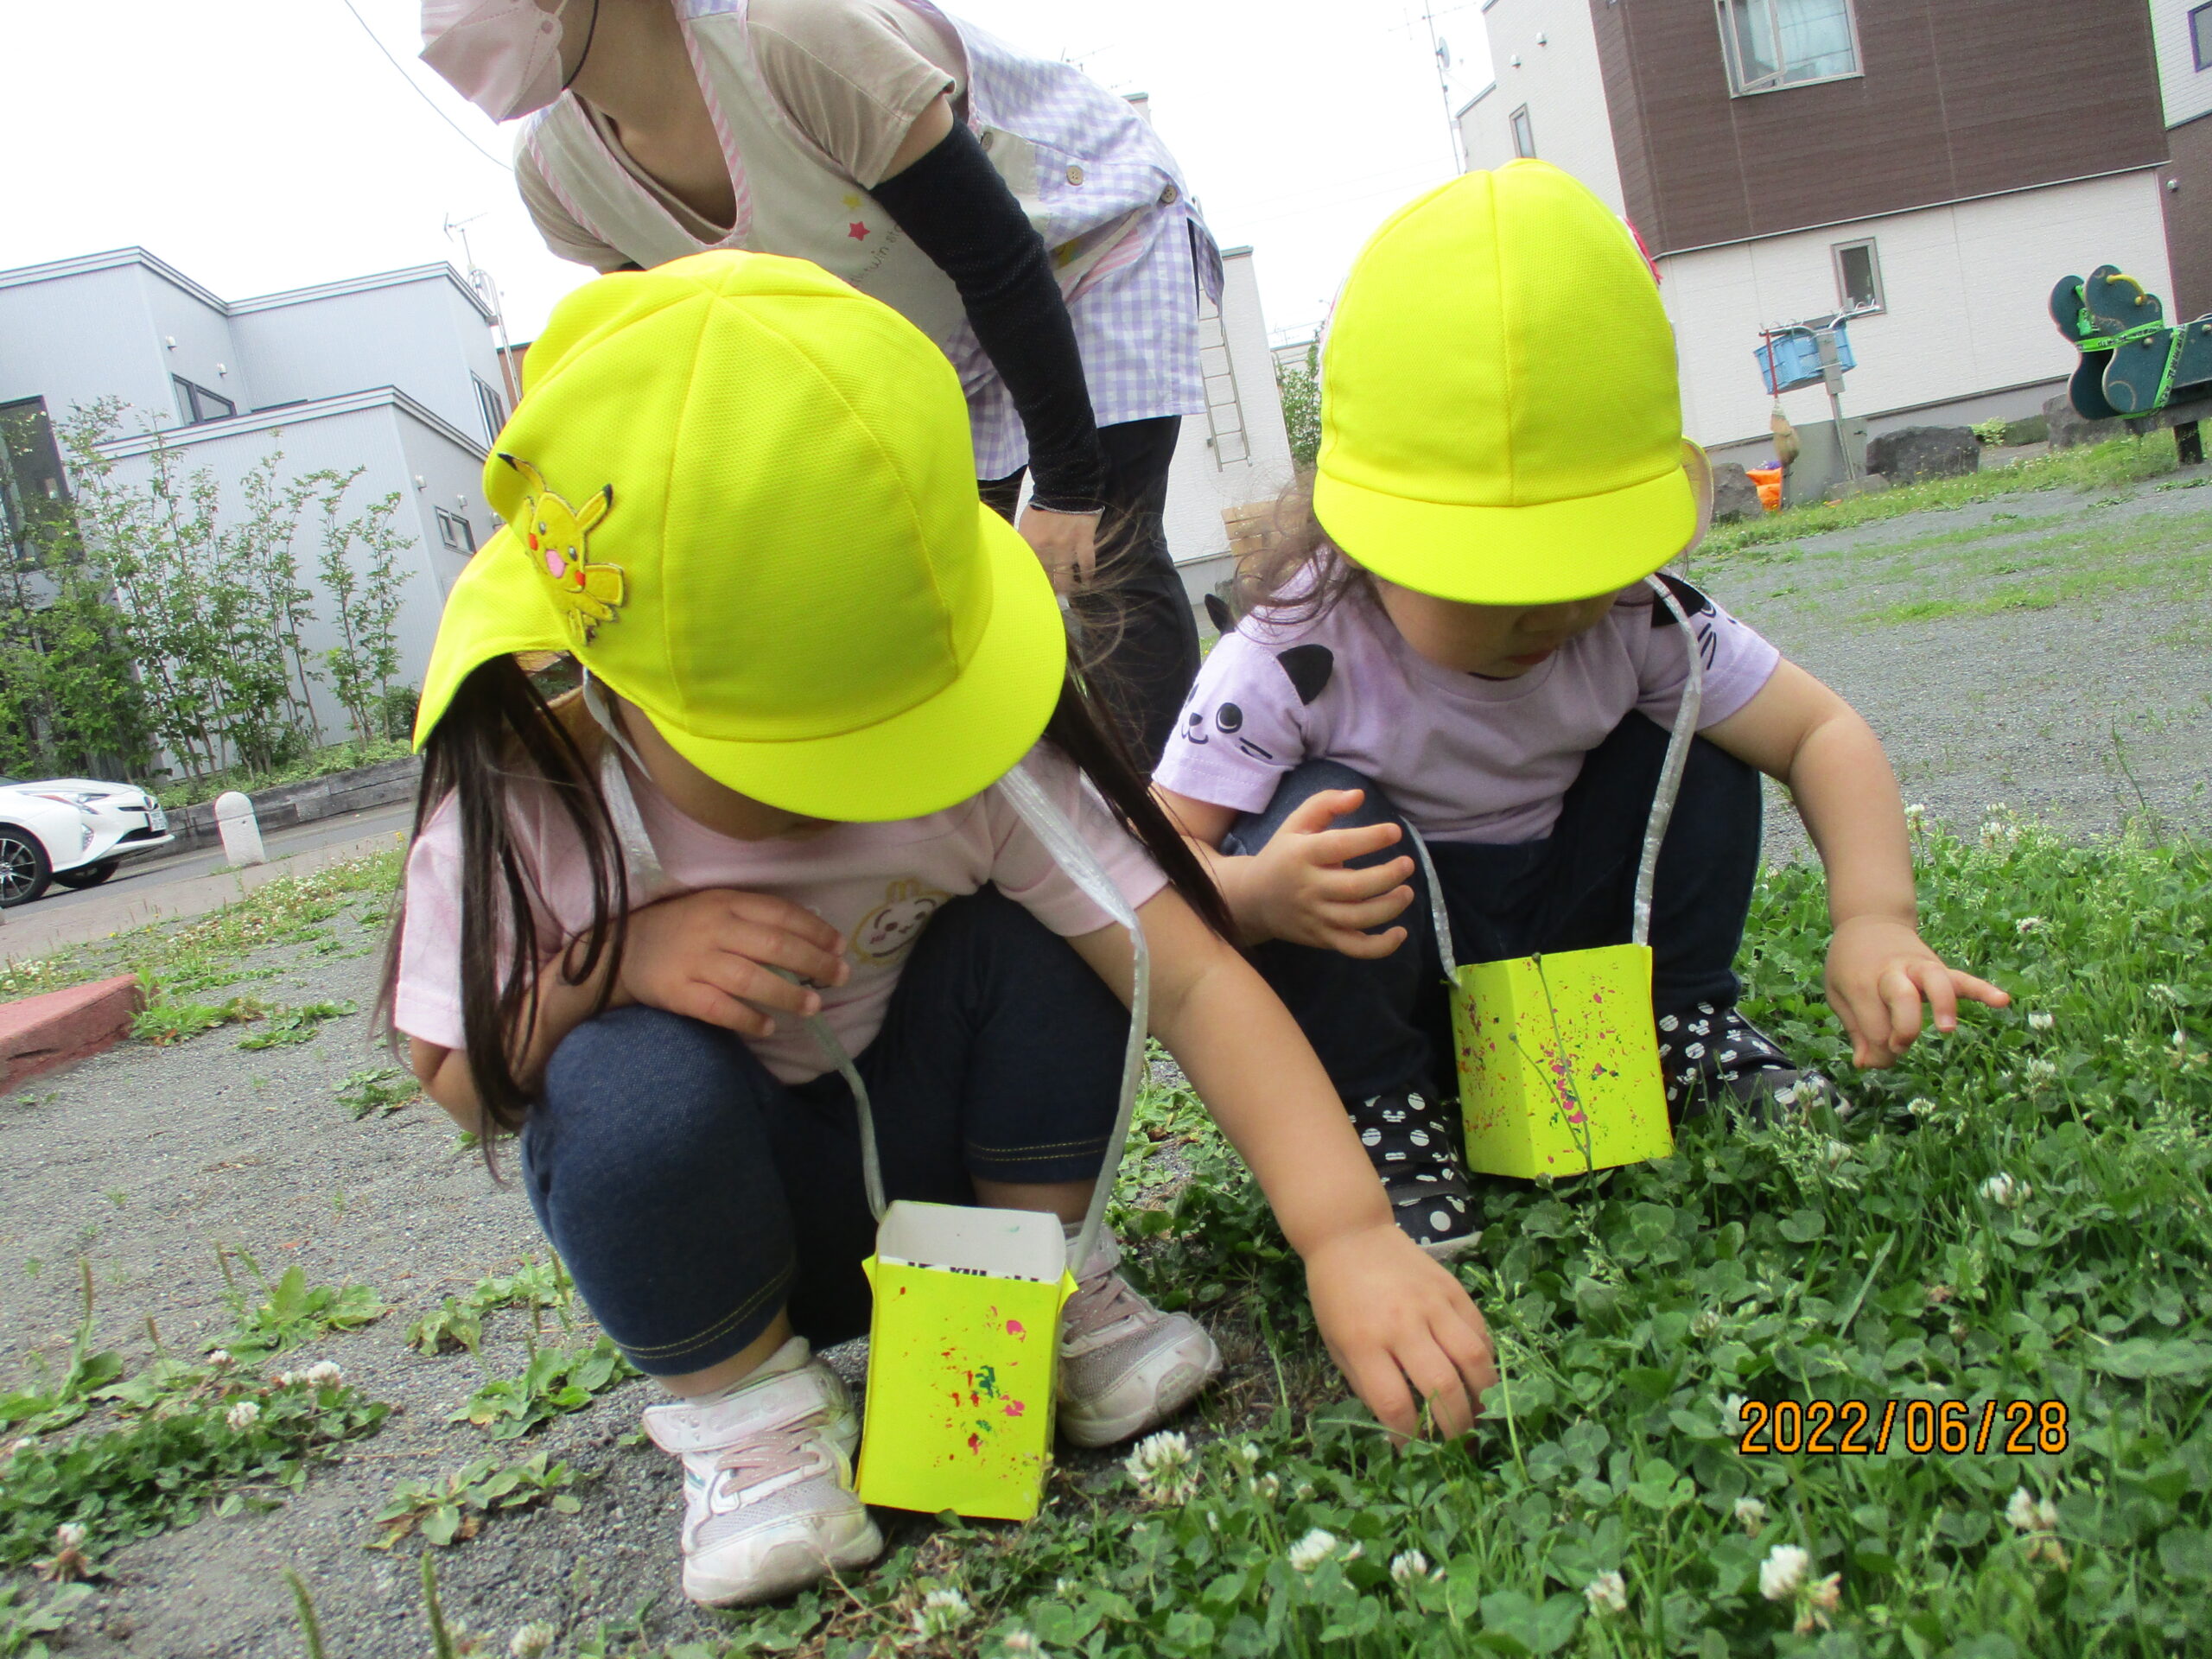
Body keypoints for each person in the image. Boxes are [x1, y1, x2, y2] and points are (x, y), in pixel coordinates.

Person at [380, 251, 1496, 1608]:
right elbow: (461, 1081)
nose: (872, 779)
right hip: (741, 1216)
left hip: (948, 1178)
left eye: (897, 719)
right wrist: (613, 962)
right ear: (616, 670)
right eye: (793, 750)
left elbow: (1195, 980)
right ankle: (749, 1415)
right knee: (619, 1084)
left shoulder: (981, 759)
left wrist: (1347, 1236)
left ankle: (1044, 1289)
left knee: (1066, 942)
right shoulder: (539, 796)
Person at [1154, 162, 2010, 1255]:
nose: (1554, 610)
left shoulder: (1638, 620)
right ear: (1368, 538)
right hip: (1391, 972)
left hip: (1579, 941)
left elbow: (1818, 732)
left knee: (1702, 732)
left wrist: (1876, 919)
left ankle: (1677, 1022)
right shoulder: (1290, 653)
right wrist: (1260, 895)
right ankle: (1383, 1110)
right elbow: (1159, 860)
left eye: (1584, 560)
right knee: (1324, 806)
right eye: (1493, 580)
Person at [418, 0, 1213, 766]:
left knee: (1104, 555)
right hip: (928, 328)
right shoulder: (560, 177)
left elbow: (997, 258)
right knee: (948, 588)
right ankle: (1022, 826)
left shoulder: (793, 38)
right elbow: (709, 351)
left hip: (1078, 251)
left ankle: (1175, 836)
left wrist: (1072, 489)